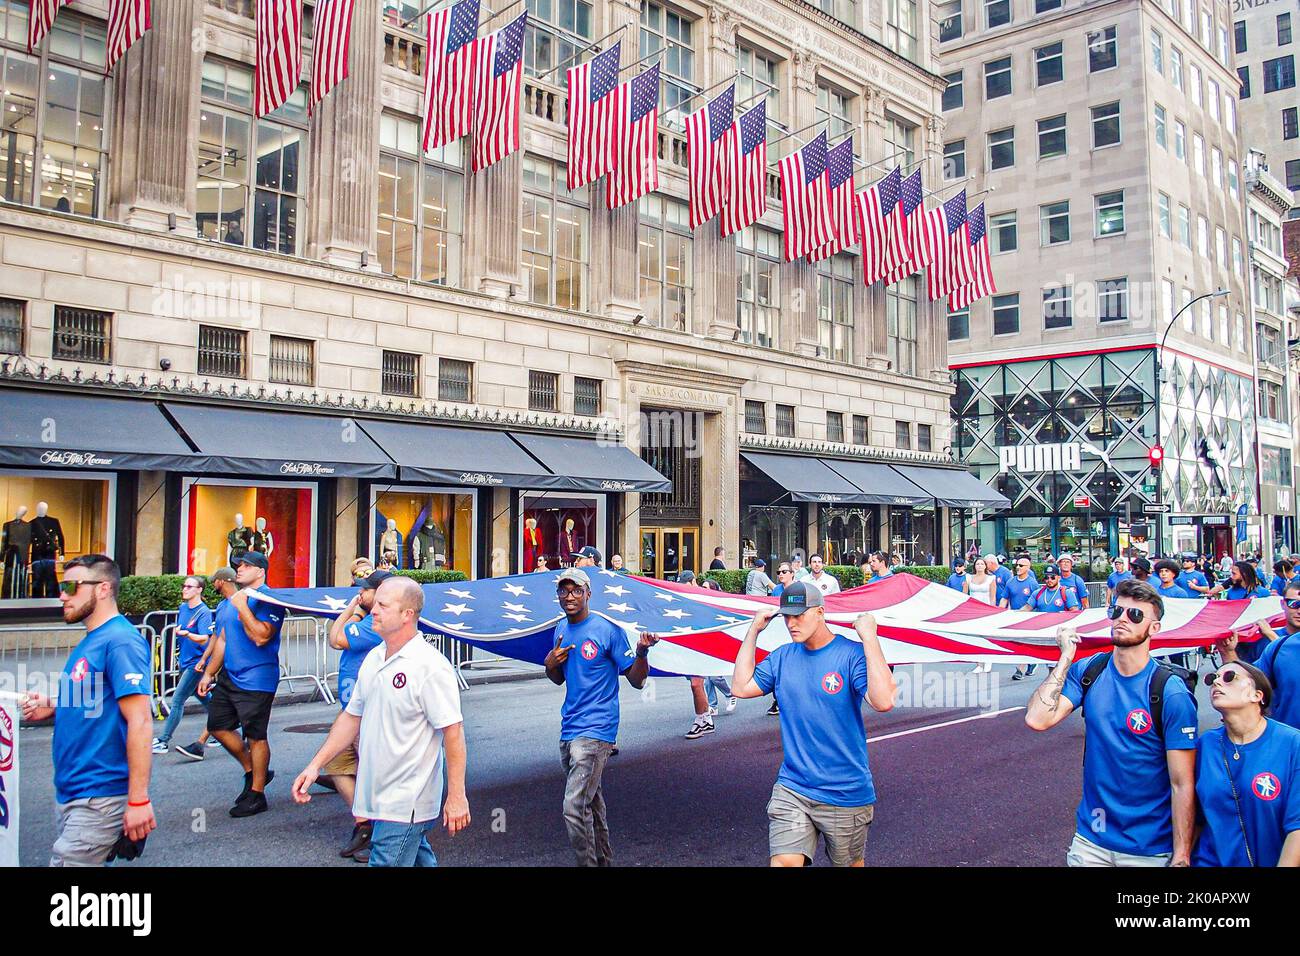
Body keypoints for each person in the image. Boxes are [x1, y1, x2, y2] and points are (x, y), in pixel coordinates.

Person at [292, 577, 470, 867]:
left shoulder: (430, 666)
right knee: (419, 859)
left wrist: (457, 796)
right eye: (375, 603)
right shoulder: (374, 658)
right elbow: (351, 717)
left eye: (383, 605)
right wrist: (315, 765)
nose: (373, 610)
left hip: (406, 802)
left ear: (407, 615)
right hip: (377, 795)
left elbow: (453, 731)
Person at [1025, 578, 1198, 866]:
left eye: (1136, 615)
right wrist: (1066, 657)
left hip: (1149, 849)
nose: (1122, 619)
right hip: (1091, 839)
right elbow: (1037, 719)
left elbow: (1182, 784)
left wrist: (1182, 855)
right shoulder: (1090, 670)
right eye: (1116, 611)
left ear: (1154, 628)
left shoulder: (1170, 692)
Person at [730, 584, 897, 866]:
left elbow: (883, 701)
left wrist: (869, 637)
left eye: (799, 615)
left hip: (845, 792)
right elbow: (741, 687)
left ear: (820, 613)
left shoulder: (851, 654)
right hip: (794, 787)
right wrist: (753, 631)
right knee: (783, 862)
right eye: (786, 616)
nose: (791, 623)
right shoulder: (782, 657)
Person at [19, 554, 157, 865]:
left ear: (104, 589)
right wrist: (53, 706)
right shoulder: (93, 639)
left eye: (71, 586)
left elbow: (141, 720)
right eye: (61, 586)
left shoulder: (121, 641)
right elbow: (96, 699)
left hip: (99, 796)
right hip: (74, 791)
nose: (62, 594)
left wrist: (139, 799)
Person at [543, 567, 657, 866]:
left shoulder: (607, 629)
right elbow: (557, 678)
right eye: (564, 591)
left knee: (573, 806)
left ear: (588, 594)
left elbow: (636, 680)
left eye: (576, 590)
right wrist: (549, 663)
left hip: (596, 731)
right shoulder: (560, 630)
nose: (569, 596)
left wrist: (642, 653)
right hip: (569, 729)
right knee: (591, 807)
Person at [198, 551, 287, 817]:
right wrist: (208, 673)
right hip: (229, 676)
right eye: (239, 565)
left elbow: (261, 637)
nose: (240, 569)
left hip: (257, 678)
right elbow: (223, 640)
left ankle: (257, 794)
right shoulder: (230, 602)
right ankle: (253, 770)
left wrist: (242, 606)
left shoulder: (269, 599)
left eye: (247, 565)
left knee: (256, 735)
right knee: (217, 726)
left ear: (260, 571)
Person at [1192, 661, 1300, 866]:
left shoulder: (1292, 744)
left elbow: (1297, 827)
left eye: (1229, 677)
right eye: (1212, 678)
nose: (1217, 683)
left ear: (1257, 696)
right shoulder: (1205, 745)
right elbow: (1196, 816)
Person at [321, 568, 391, 863]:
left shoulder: (371, 627)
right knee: (337, 765)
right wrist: (358, 609)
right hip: (352, 707)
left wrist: (351, 608)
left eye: (364, 590)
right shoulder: (367, 621)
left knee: (372, 773)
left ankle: (381, 835)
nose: (359, 593)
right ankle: (364, 823)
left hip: (367, 711)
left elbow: (335, 638)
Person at [1219, 580, 1300, 730]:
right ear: (1283, 604)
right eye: (1294, 604)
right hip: (1287, 741)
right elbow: (1245, 681)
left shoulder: (1276, 642)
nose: (1299, 610)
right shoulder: (1278, 648)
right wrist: (1228, 652)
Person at [154, 576, 216, 755]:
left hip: (197, 663)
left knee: (177, 700)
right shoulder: (183, 608)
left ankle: (164, 740)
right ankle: (230, 725)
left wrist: (187, 634)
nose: (185, 589)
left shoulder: (203, 612)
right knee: (207, 700)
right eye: (184, 586)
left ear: (199, 590)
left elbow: (205, 637)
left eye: (189, 586)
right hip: (185, 660)